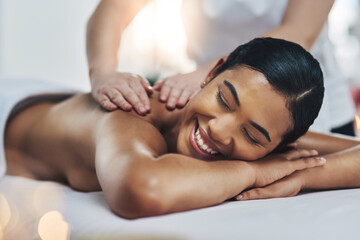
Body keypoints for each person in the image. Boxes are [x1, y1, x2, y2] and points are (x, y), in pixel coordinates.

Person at [2, 38, 360, 219]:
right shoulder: (132, 115)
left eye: (253, 136)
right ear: (211, 73)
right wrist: (255, 170)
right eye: (224, 99)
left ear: (281, 144)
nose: (220, 130)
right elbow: (141, 188)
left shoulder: (267, 129)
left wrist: (301, 177)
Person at [86, 0, 356, 135]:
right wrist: (103, 72)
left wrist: (208, 75)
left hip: (306, 106)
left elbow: (299, 31)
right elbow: (114, 8)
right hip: (214, 93)